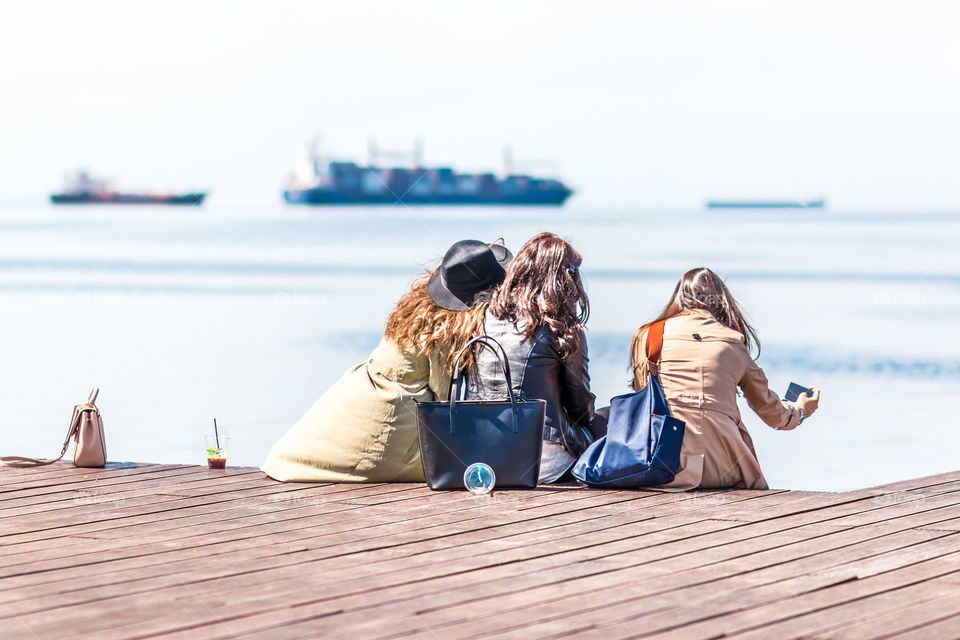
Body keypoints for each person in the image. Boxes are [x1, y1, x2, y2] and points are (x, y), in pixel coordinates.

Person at [262, 239, 512, 482]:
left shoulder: (417, 308)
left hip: (363, 394)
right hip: (392, 426)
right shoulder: (446, 332)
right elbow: (447, 399)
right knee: (468, 464)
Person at [629, 267, 820, 490]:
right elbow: (773, 414)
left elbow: (643, 396)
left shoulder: (649, 336)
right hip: (725, 466)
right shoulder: (732, 341)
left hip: (662, 463)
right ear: (722, 301)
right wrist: (800, 410)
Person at [466, 232, 605, 484]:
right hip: (539, 461)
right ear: (563, 280)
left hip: (479, 454)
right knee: (607, 419)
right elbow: (580, 406)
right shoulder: (562, 329)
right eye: (572, 274)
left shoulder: (479, 317)